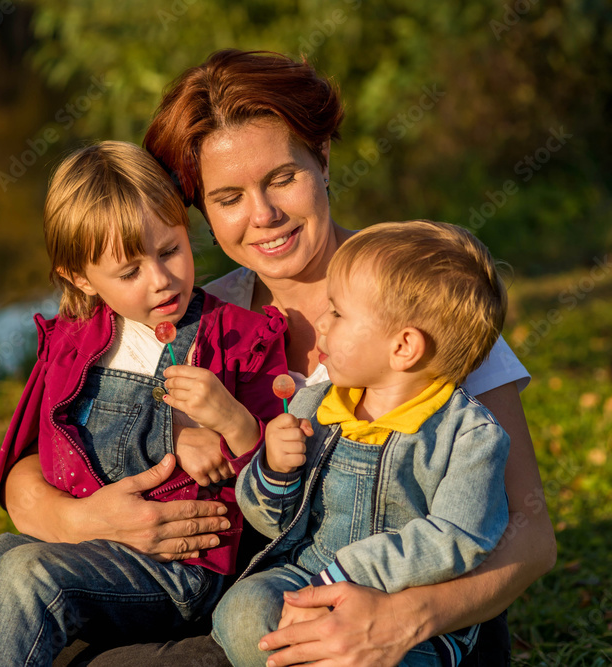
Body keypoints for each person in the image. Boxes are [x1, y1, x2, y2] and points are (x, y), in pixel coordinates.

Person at [3, 50, 555, 666]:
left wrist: (397, 621)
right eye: (228, 196)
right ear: (201, 211)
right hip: (260, 598)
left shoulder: (423, 303)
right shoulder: (205, 319)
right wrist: (69, 518)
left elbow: (531, 537)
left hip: (416, 623)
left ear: (321, 160)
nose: (262, 216)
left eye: (282, 178)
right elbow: (37, 460)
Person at [0, 140, 289, 666]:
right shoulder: (70, 344)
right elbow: (33, 460)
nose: (160, 279)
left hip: (175, 567)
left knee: (27, 579)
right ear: (80, 277)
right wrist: (74, 515)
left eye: (171, 250)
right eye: (128, 272)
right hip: (67, 542)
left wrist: (228, 425)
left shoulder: (241, 337)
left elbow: (282, 485)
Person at [212, 220, 511, 667]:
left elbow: (459, 538)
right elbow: (275, 523)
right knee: (243, 612)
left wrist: (352, 572)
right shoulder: (314, 405)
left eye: (338, 313)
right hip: (303, 576)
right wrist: (273, 469)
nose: (321, 322)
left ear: (403, 347)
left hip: (403, 604)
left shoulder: (469, 437)